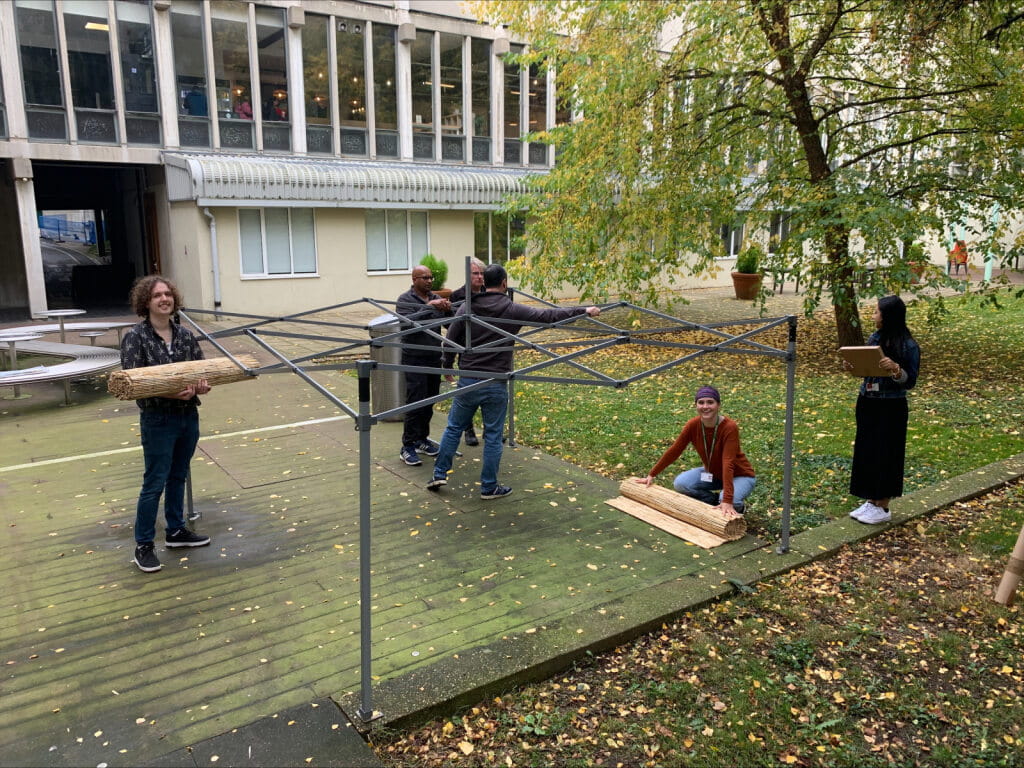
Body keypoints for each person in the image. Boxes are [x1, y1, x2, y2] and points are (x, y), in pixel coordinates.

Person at [428, 264, 601, 498]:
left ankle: (439, 473)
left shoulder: (467, 308)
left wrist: (447, 365)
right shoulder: (511, 309)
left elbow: (451, 338)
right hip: (496, 381)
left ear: (484, 282)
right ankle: (488, 487)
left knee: (453, 428)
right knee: (492, 436)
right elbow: (548, 316)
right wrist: (584, 310)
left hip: (468, 379)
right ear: (504, 283)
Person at [121, 276, 212, 573]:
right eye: (157, 295)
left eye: (168, 294)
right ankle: (143, 545)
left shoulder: (185, 335)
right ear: (145, 302)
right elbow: (131, 382)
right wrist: (170, 392)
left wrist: (201, 386)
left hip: (187, 416)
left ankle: (176, 531)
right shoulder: (136, 337)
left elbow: (200, 369)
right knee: (154, 482)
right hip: (158, 419)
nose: (165, 299)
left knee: (178, 476)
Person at [844, 295, 921, 524]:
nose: (873, 316)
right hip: (868, 400)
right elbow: (867, 370)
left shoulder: (908, 345)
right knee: (867, 450)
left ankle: (883, 506)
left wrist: (896, 369)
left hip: (891, 405)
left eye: (876, 312)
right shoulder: (875, 337)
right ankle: (871, 500)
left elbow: (910, 380)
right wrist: (853, 366)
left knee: (887, 452)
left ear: (889, 316)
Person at [634, 386, 755, 518]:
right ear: (696, 405)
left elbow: (728, 462)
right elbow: (675, 450)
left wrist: (727, 499)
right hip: (713, 473)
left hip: (740, 475)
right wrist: (652, 474)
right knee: (681, 483)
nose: (705, 406)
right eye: (701, 402)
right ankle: (713, 501)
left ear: (718, 405)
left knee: (728, 499)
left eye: (710, 402)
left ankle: (738, 508)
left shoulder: (729, 427)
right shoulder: (693, 425)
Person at [396, 265, 452, 466]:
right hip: (414, 358)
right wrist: (430, 307)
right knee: (415, 402)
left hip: (434, 357)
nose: (429, 281)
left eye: (431, 277)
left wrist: (449, 310)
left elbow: (449, 325)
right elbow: (405, 324)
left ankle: (422, 439)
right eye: (425, 277)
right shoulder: (405, 300)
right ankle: (407, 446)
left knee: (429, 401)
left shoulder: (435, 297)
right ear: (414, 279)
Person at [448, 257, 486, 446]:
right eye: (476, 273)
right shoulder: (457, 296)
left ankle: (490, 428)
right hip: (466, 348)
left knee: (491, 389)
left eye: (482, 274)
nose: (480, 277)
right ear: (467, 275)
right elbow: (450, 326)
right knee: (468, 390)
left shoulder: (491, 293)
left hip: (489, 349)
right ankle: (468, 429)